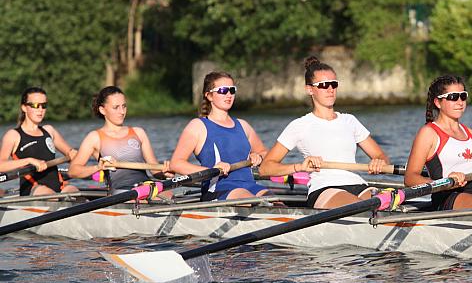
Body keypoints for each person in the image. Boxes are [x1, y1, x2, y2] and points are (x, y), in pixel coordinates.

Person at [259, 56, 390, 209]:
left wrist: (379, 161)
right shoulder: (299, 125)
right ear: (309, 89)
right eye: (323, 85)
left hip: (359, 185)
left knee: (388, 207)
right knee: (367, 208)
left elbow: (382, 157)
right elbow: (265, 168)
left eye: (333, 84)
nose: (330, 89)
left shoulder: (350, 121)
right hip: (325, 189)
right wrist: (299, 167)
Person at [404, 75, 472, 210]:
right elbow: (410, 178)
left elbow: (464, 164)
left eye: (463, 96)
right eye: (453, 97)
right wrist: (444, 182)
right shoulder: (428, 133)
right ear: (438, 103)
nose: (460, 102)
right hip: (448, 194)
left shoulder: (468, 131)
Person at [170, 71, 269, 201]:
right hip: (219, 189)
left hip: (250, 186)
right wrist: (211, 170)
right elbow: (176, 163)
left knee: (276, 202)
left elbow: (266, 153)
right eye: (223, 90)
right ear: (209, 96)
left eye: (232, 90)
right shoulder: (197, 126)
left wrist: (259, 156)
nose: (229, 95)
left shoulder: (243, 126)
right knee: (251, 201)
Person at [68, 86, 170, 195]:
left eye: (124, 106)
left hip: (147, 187)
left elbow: (154, 169)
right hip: (122, 192)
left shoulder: (139, 132)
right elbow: (73, 171)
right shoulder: (94, 137)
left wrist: (165, 173)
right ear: (102, 110)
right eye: (116, 107)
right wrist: (98, 167)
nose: (122, 112)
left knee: (169, 195)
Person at [0, 87, 78, 196]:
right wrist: (29, 161)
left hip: (59, 188)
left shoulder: (49, 131)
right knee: (46, 193)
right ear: (24, 107)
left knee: (73, 189)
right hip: (33, 190)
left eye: (44, 105)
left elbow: (71, 154)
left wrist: (74, 154)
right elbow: (1, 165)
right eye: (35, 105)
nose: (40, 109)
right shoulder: (13, 135)